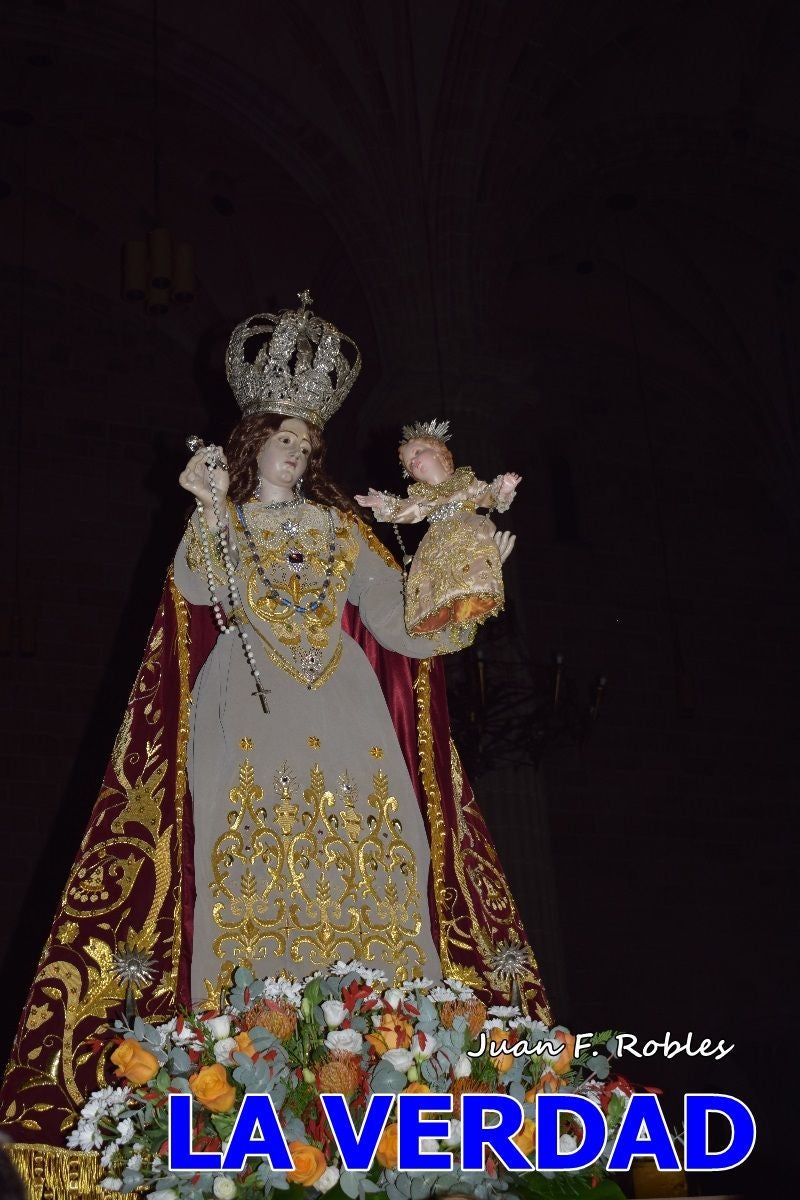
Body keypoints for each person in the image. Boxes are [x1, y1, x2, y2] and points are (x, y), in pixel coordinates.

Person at [0, 296, 549, 1181]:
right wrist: (208, 507)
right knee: (242, 858)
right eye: (283, 439)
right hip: (244, 715)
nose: (296, 452)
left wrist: (465, 588)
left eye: (308, 443)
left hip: (347, 712)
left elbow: (400, 620)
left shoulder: (342, 531)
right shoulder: (219, 521)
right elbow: (198, 587)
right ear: (252, 442)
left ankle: (397, 1065)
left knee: (381, 856)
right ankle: (248, 1067)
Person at [356, 420, 521, 646]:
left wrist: (503, 488)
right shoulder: (423, 496)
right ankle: (438, 612)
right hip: (436, 544)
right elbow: (408, 510)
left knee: (467, 570)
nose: (413, 462)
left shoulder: (464, 482)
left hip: (467, 535)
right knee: (433, 577)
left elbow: (486, 494)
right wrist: (383, 503)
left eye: (417, 452)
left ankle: (471, 601)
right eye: (408, 463)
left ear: (438, 453)